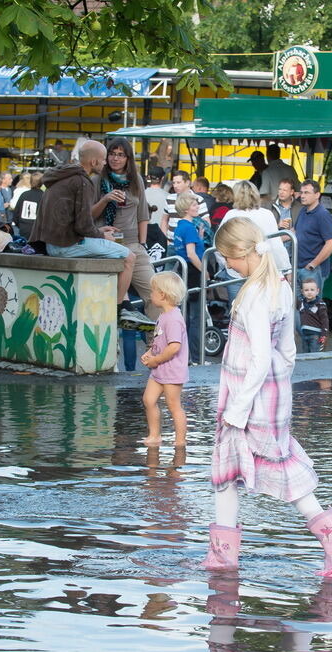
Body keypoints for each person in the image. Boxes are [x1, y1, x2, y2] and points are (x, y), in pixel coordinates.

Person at [202, 217, 332, 576]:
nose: (226, 266)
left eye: (228, 259)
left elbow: (258, 357)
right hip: (271, 394)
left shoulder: (256, 294)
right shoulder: (279, 286)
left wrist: (237, 410)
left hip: (248, 397)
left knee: (228, 474)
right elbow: (286, 350)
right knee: (279, 465)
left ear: (242, 253)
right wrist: (281, 384)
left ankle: (223, 557)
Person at [29, 139, 148, 330]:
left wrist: (98, 231)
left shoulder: (62, 177)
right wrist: (102, 236)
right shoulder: (82, 181)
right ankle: (119, 309)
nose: (105, 164)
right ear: (93, 162)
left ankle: (123, 305)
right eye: (103, 160)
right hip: (67, 245)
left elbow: (75, 220)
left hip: (52, 244)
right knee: (129, 257)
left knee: (112, 253)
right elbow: (84, 225)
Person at [94, 138, 161, 322]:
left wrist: (142, 243)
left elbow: (143, 214)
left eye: (121, 155)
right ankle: (110, 348)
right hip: (106, 246)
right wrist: (105, 199)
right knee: (111, 304)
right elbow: (88, 216)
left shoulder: (135, 179)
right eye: (112, 154)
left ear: (128, 158)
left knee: (157, 296)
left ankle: (154, 345)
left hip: (134, 245)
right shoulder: (97, 179)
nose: (116, 158)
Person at [140, 271, 189, 448]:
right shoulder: (163, 316)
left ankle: (180, 441)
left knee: (174, 405)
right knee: (149, 400)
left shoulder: (174, 319)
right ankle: (155, 435)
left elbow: (174, 347)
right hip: (159, 369)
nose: (150, 294)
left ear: (162, 294)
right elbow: (161, 339)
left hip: (171, 370)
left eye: (152, 291)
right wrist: (150, 352)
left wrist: (156, 360)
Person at [173, 191, 207, 360]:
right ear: (187, 208)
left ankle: (185, 355)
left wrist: (199, 236)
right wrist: (205, 270)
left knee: (186, 314)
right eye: (194, 204)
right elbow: (192, 254)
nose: (197, 207)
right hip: (194, 272)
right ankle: (195, 355)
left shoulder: (181, 226)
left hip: (183, 271)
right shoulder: (188, 227)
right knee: (196, 317)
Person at [293, 179, 332, 294]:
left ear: (317, 195)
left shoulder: (322, 214)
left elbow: (331, 243)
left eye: (306, 193)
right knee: (298, 307)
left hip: (313, 270)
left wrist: (313, 265)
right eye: (301, 192)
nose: (302, 196)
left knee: (312, 309)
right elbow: (295, 231)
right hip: (299, 267)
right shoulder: (303, 211)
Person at [163, 170, 208, 244]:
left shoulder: (198, 199)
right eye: (174, 183)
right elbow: (164, 220)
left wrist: (199, 240)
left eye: (178, 182)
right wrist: (165, 240)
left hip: (192, 244)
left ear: (187, 183)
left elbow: (206, 223)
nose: (175, 185)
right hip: (171, 244)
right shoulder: (169, 198)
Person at [297, 277, 328, 352]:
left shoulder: (320, 304)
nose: (309, 292)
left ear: (317, 291)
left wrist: (324, 335)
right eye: (306, 290)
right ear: (302, 292)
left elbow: (325, 321)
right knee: (305, 354)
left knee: (314, 355)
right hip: (304, 335)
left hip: (316, 335)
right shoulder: (301, 303)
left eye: (312, 290)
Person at [12, 172, 44, 240]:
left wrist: (21, 225)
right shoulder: (44, 196)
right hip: (38, 231)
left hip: (24, 229)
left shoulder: (24, 195)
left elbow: (16, 214)